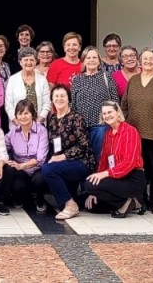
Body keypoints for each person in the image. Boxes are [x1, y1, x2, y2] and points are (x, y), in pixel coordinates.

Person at [121, 48, 153, 214]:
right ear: (140, 61)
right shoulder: (134, 81)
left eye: (151, 59)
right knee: (139, 170)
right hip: (135, 135)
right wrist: (126, 128)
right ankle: (141, 201)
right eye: (145, 59)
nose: (148, 62)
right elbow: (124, 106)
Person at [83, 101, 146, 218]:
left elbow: (129, 162)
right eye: (104, 113)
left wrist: (105, 174)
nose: (107, 116)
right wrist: (94, 191)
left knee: (89, 184)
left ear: (117, 113)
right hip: (115, 178)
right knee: (92, 206)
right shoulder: (108, 134)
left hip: (132, 178)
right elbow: (103, 161)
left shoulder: (130, 131)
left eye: (110, 112)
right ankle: (129, 202)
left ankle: (130, 202)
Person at [42, 85, 94, 220]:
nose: (59, 99)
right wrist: (54, 157)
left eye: (62, 96)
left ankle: (71, 205)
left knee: (48, 170)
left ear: (68, 99)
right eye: (56, 96)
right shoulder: (52, 119)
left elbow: (84, 145)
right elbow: (54, 145)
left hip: (81, 162)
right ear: (52, 99)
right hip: (64, 163)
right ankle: (70, 201)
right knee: (47, 169)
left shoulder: (76, 117)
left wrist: (62, 157)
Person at [4, 100, 49, 212]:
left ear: (32, 114)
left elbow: (40, 158)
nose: (23, 116)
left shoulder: (41, 131)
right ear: (16, 116)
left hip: (37, 168)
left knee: (39, 180)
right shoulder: (13, 133)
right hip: (21, 171)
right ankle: (20, 198)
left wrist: (22, 166)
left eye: (26, 113)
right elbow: (1, 146)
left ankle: (40, 199)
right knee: (17, 184)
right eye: (20, 113)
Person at [71, 46, 119, 131]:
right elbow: (73, 104)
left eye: (94, 57)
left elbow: (115, 100)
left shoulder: (107, 77)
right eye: (88, 58)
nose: (91, 60)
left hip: (102, 126)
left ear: (99, 61)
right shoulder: (77, 80)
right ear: (84, 62)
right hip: (81, 127)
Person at [5, 47, 51, 126]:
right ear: (20, 62)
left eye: (32, 60)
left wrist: (37, 123)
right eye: (26, 60)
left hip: (38, 125)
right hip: (17, 125)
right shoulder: (12, 79)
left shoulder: (42, 79)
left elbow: (47, 103)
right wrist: (16, 122)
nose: (29, 62)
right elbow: (8, 104)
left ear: (36, 62)